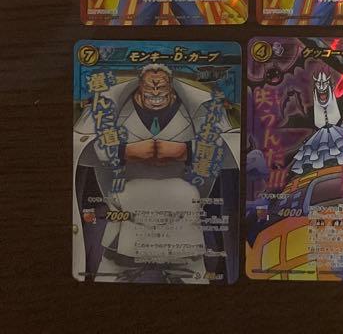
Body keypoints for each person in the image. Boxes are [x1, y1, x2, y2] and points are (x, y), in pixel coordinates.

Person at [73, 63, 240, 283]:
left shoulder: (202, 107)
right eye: (149, 87)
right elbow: (82, 145)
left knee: (193, 273)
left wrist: (186, 151)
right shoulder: (109, 105)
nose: (155, 92)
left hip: (182, 217)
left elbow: (227, 148)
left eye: (161, 87)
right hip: (127, 215)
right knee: (111, 271)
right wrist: (124, 151)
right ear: (139, 88)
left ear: (171, 87)